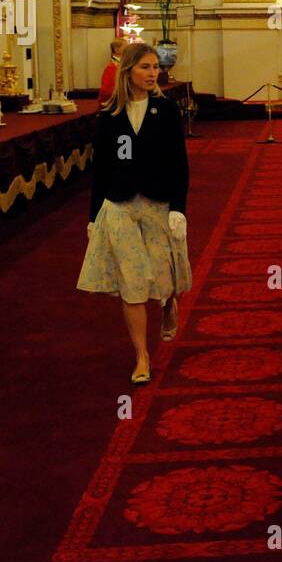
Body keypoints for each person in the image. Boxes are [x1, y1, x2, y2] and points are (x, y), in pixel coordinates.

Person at [78, 42, 191, 383]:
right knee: (133, 282)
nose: (153, 73)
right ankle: (142, 356)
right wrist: (93, 215)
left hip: (158, 202)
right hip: (120, 204)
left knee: (163, 277)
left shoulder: (166, 111)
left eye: (155, 66)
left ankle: (169, 301)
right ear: (128, 71)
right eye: (145, 66)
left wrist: (179, 209)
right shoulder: (109, 117)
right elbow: (102, 170)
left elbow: (179, 165)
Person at [99, 39, 124, 104]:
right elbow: (106, 92)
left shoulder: (118, 64)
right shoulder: (112, 67)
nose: (128, 50)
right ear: (117, 50)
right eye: (126, 47)